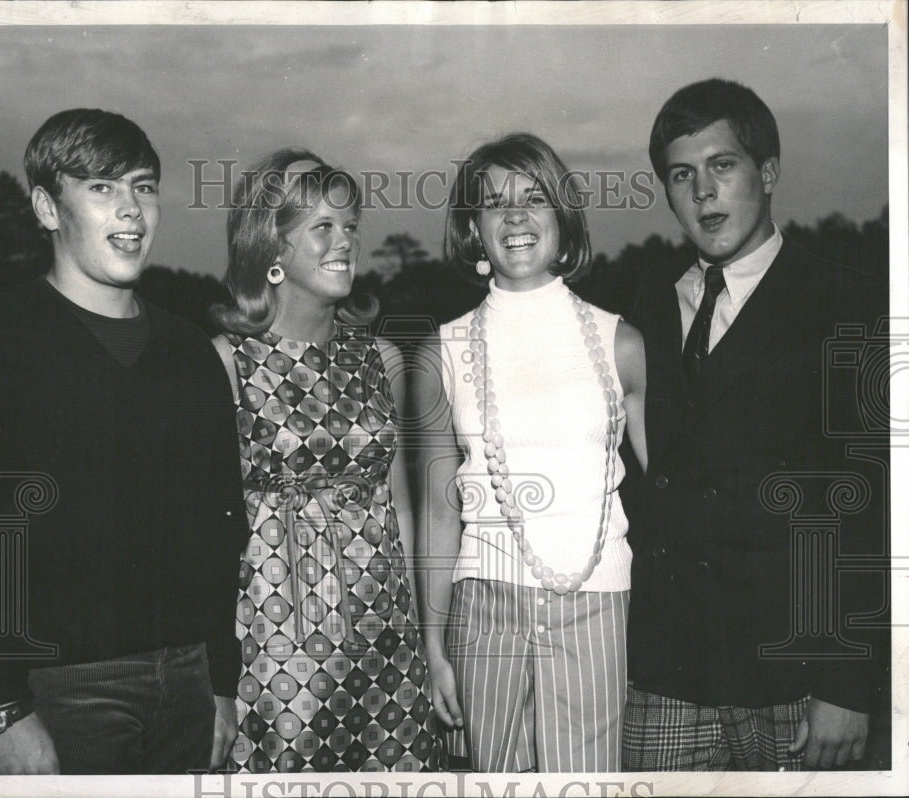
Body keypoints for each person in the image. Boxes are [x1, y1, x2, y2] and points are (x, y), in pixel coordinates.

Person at [0, 109, 247, 775]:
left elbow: (221, 527)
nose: (131, 210)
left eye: (142, 186)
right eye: (101, 188)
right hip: (60, 691)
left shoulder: (190, 351)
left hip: (190, 682)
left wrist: (222, 681)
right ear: (48, 208)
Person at [622, 78, 889, 771]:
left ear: (768, 171)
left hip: (795, 681)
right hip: (664, 676)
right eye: (682, 175)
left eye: (723, 165)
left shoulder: (848, 305)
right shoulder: (642, 310)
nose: (703, 192)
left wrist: (848, 683)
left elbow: (876, 507)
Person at [414, 132, 647, 772]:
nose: (514, 217)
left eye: (533, 197)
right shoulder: (442, 350)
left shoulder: (621, 341)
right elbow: (439, 511)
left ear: (563, 217)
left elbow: (666, 494)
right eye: (493, 204)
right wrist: (435, 646)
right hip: (482, 605)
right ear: (473, 231)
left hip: (597, 599)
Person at [211, 148, 442, 772]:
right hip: (272, 638)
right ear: (273, 247)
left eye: (349, 227)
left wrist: (426, 640)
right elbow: (207, 528)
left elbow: (404, 510)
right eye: (322, 228)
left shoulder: (385, 359)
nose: (345, 242)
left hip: (385, 635)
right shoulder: (226, 361)